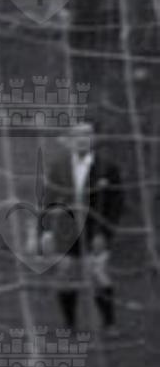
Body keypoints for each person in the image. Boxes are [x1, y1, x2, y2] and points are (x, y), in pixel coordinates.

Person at [38, 118, 123, 332]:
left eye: (87, 134)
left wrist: (104, 233)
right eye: (77, 135)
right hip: (67, 229)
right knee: (65, 273)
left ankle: (110, 324)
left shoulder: (108, 168)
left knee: (97, 272)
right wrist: (45, 231)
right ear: (69, 139)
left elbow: (116, 205)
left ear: (94, 138)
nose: (82, 139)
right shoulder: (59, 167)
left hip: (96, 229)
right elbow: (48, 200)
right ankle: (70, 325)